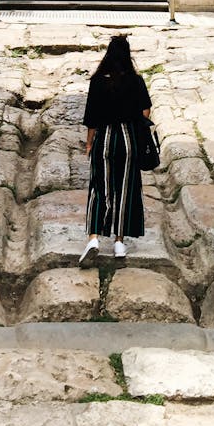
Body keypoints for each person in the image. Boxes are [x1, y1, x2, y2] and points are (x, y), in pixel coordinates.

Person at [80, 34, 152, 264]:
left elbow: (91, 118)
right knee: (125, 190)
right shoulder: (136, 81)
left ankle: (93, 238)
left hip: (105, 140)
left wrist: (89, 143)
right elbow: (145, 112)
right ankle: (119, 243)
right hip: (128, 140)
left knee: (99, 189)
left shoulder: (98, 81)